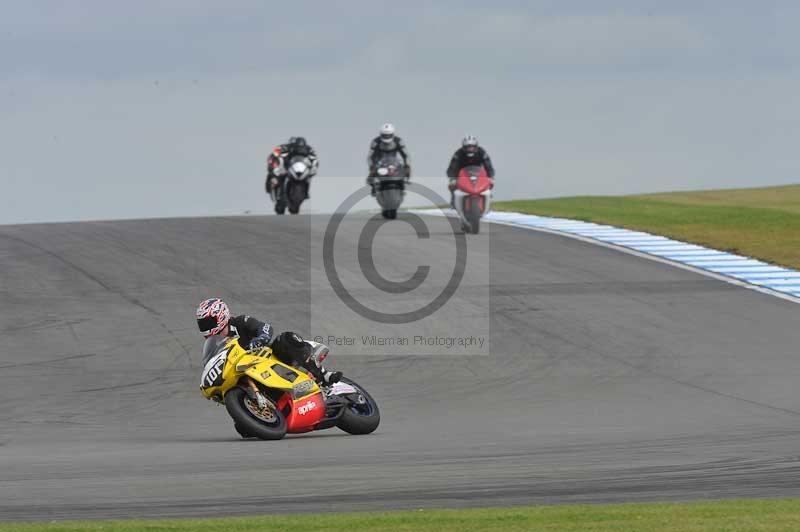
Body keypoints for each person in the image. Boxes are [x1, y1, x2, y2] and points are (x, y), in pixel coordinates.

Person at [195, 298, 342, 385]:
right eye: (202, 324)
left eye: (208, 322)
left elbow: (265, 328)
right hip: (246, 370)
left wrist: (259, 340)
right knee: (244, 430)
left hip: (267, 358)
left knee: (284, 339)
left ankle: (324, 375)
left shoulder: (240, 322)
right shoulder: (214, 344)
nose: (205, 327)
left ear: (221, 316)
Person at [446, 135, 495, 206]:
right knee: (452, 185)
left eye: (472, 147)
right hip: (462, 174)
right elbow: (452, 167)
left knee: (490, 184)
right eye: (468, 147)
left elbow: (488, 165)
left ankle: (487, 201)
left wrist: (491, 176)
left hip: (478, 173)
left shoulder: (481, 152)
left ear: (476, 146)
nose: (470, 149)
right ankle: (454, 200)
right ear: (464, 147)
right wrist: (453, 178)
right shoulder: (458, 153)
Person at [366, 123, 411, 194]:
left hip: (394, 163)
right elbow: (370, 156)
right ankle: (374, 188)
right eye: (384, 135)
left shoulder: (399, 141)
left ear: (393, 134)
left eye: (388, 135)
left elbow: (406, 155)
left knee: (406, 171)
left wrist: (407, 166)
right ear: (381, 134)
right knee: (370, 178)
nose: (387, 137)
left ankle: (402, 186)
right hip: (380, 163)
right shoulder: (375, 142)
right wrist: (372, 167)